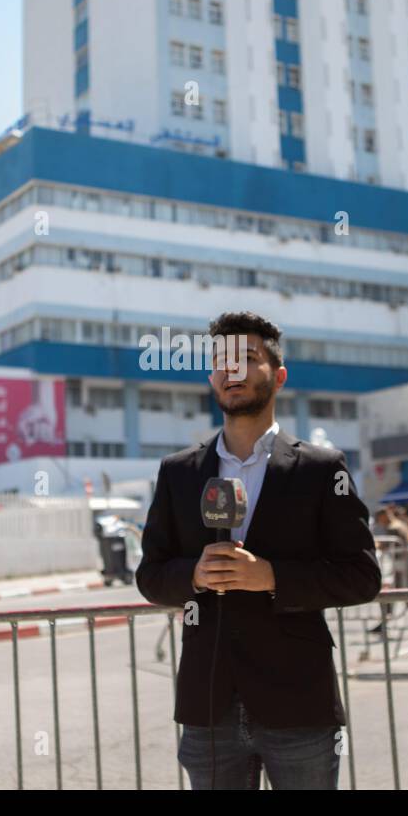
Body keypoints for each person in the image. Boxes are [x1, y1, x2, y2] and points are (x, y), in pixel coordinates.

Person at [136, 311, 381, 790]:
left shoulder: (320, 468)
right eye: (221, 362)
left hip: (299, 706)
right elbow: (150, 574)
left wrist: (271, 576)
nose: (232, 371)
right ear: (211, 376)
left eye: (247, 358)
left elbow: (361, 575)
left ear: (279, 375)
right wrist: (196, 575)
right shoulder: (179, 472)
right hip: (208, 708)